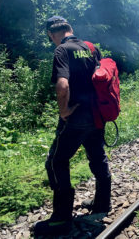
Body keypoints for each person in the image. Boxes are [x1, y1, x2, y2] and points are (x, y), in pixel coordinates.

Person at [34, 16, 111, 236]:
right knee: (98, 157)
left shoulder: (61, 50)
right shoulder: (90, 48)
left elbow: (62, 84)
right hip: (97, 116)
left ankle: (61, 219)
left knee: (56, 161)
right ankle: (102, 205)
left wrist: (64, 111)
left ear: (52, 34)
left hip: (76, 118)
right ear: (70, 29)